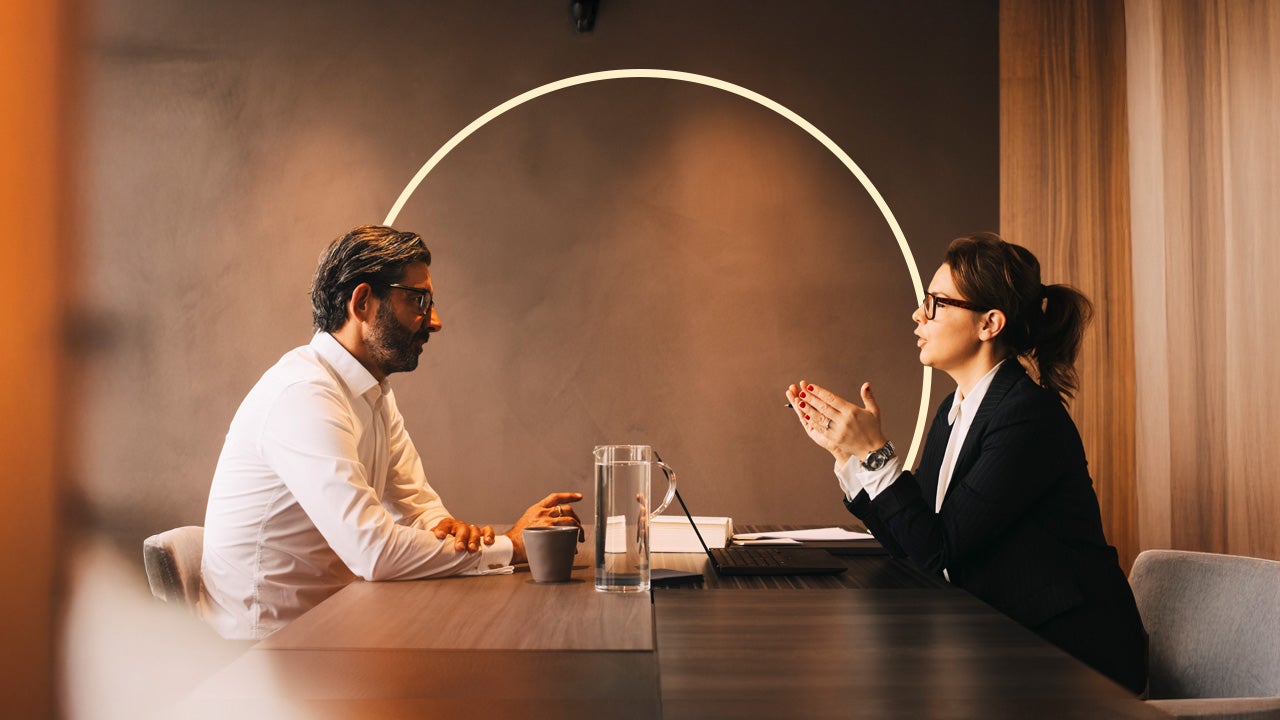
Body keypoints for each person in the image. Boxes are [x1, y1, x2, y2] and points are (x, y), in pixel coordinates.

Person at [786, 232, 1147, 694]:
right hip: (1001, 643)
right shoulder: (955, 409)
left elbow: (939, 551)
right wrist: (852, 455)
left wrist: (877, 455)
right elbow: (912, 546)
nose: (919, 314)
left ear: (989, 323)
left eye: (936, 303)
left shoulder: (1026, 417)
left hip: (1072, 663)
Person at [202, 224, 583, 640]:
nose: (433, 321)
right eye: (419, 300)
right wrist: (512, 546)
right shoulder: (303, 395)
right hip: (270, 655)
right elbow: (374, 551)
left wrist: (451, 531)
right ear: (363, 302)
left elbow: (418, 508)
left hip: (338, 629)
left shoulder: (374, 391)